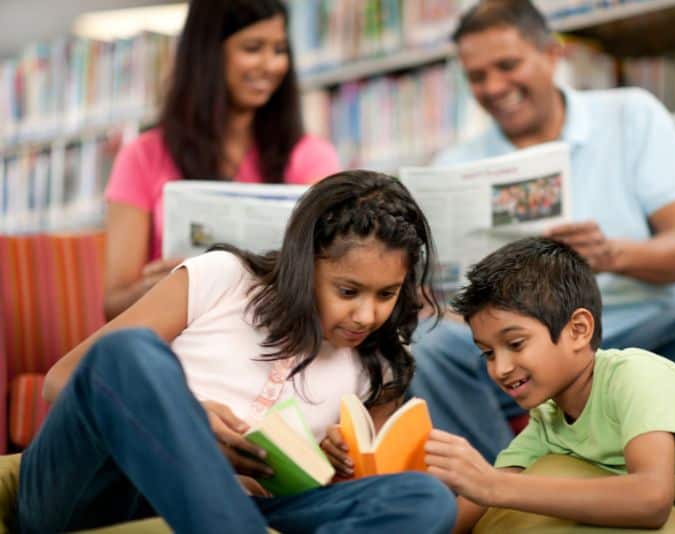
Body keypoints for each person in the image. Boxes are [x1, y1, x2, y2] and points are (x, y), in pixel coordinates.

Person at [410, 0, 675, 461]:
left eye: (508, 65)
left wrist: (611, 254)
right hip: (527, 354)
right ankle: (504, 490)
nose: (495, 87)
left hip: (648, 338)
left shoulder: (631, 115)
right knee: (424, 342)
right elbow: (442, 305)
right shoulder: (454, 165)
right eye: (477, 77)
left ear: (553, 55)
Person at [17, 171, 456, 534]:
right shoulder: (224, 278)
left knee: (424, 499)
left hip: (244, 510)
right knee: (128, 351)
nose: (366, 315)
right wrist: (189, 418)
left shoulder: (375, 366)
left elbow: (347, 492)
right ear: (304, 264)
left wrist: (336, 464)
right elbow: (60, 381)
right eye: (347, 291)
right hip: (108, 490)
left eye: (387, 294)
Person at [424, 236, 675, 532]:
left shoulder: (632, 375)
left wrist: (494, 486)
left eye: (515, 344)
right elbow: (476, 502)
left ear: (578, 330)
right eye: (487, 353)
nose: (501, 368)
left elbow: (651, 499)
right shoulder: (546, 425)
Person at [102, 0, 341, 320]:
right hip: (181, 333)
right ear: (208, 54)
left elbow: (332, 272)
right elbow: (113, 305)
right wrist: (163, 289)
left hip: (276, 335)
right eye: (253, 48)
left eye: (280, 49)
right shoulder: (142, 157)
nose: (270, 65)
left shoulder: (312, 157)